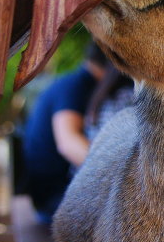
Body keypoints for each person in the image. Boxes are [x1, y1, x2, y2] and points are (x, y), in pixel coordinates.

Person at [21, 42, 110, 224]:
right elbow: (68, 143)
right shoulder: (75, 87)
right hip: (55, 199)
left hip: (53, 196)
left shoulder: (74, 83)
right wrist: (118, 174)